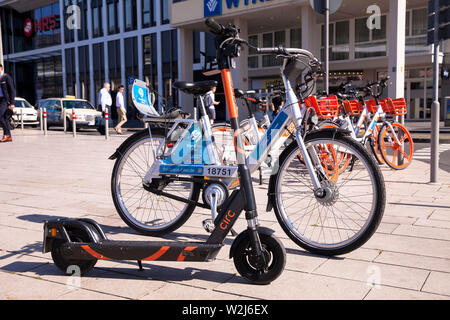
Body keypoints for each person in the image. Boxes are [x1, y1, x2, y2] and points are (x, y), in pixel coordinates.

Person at [0, 64, 16, 143]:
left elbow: (12, 91)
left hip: (5, 100)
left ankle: (6, 134)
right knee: (5, 118)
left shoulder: (6, 77)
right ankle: (9, 136)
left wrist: (12, 103)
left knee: (1, 116)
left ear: (0, 68)